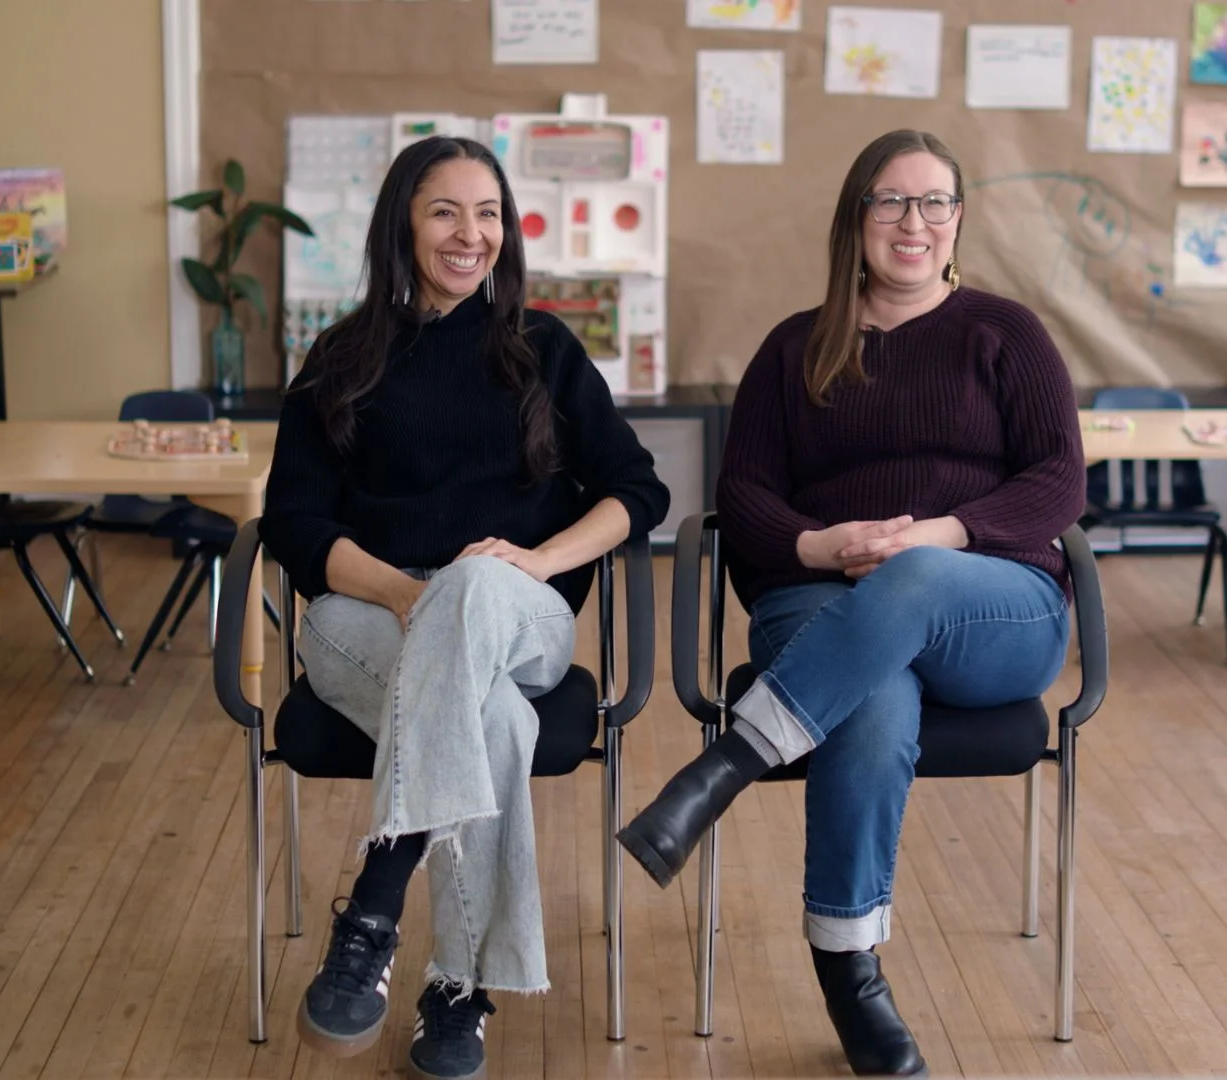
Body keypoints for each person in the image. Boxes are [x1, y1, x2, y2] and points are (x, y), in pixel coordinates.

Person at [616, 129, 1084, 1077]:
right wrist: (818, 545)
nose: (914, 223)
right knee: (871, 699)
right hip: (819, 595)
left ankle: (723, 768)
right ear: (855, 219)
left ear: (958, 220)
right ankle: (849, 967)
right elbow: (740, 495)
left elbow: (1060, 483)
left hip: (993, 606)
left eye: (935, 203)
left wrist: (936, 536)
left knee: (910, 582)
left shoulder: (1007, 333)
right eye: (890, 202)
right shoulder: (795, 350)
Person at [260, 135, 669, 1079]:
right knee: (488, 721)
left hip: (519, 614)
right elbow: (293, 522)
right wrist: (415, 595)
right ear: (403, 222)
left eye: (488, 214)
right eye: (446, 210)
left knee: (479, 586)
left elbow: (635, 492)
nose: (470, 234)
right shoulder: (340, 356)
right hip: (365, 615)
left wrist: (532, 562)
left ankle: (373, 908)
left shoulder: (544, 349)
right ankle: (456, 993)